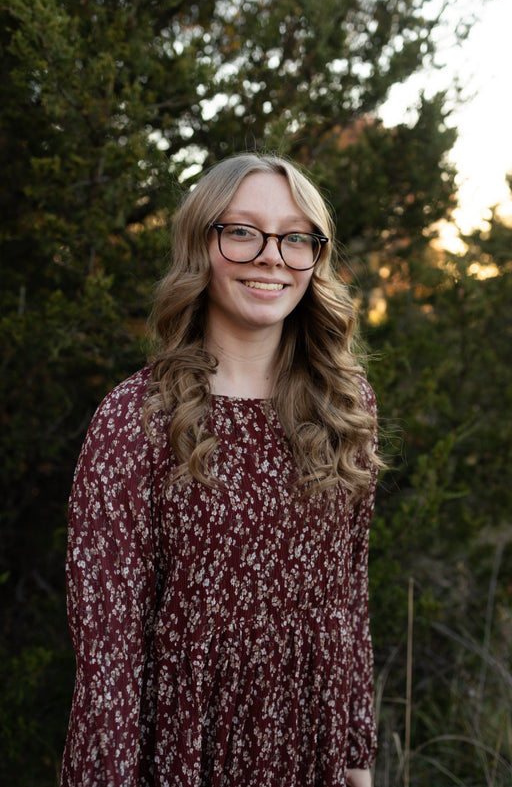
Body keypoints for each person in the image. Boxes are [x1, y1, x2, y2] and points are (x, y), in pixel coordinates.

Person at [61, 152, 381, 787]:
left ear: (315, 259)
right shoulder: (138, 419)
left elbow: (348, 593)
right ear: (200, 245)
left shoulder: (343, 405)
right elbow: (109, 656)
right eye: (242, 231)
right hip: (182, 753)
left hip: (305, 748)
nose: (271, 256)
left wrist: (355, 752)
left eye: (296, 238)